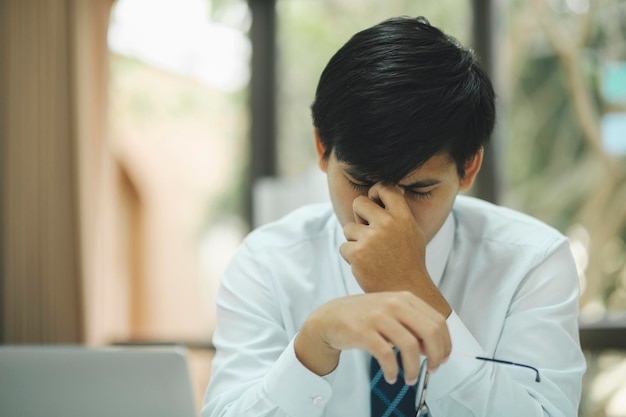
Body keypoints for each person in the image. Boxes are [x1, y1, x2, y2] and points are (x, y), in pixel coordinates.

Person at [202, 16, 585, 417]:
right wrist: (313, 344)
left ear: (469, 168)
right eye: (358, 181)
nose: (386, 212)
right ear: (322, 149)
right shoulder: (267, 261)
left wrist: (413, 287)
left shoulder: (533, 261)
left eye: (419, 190)